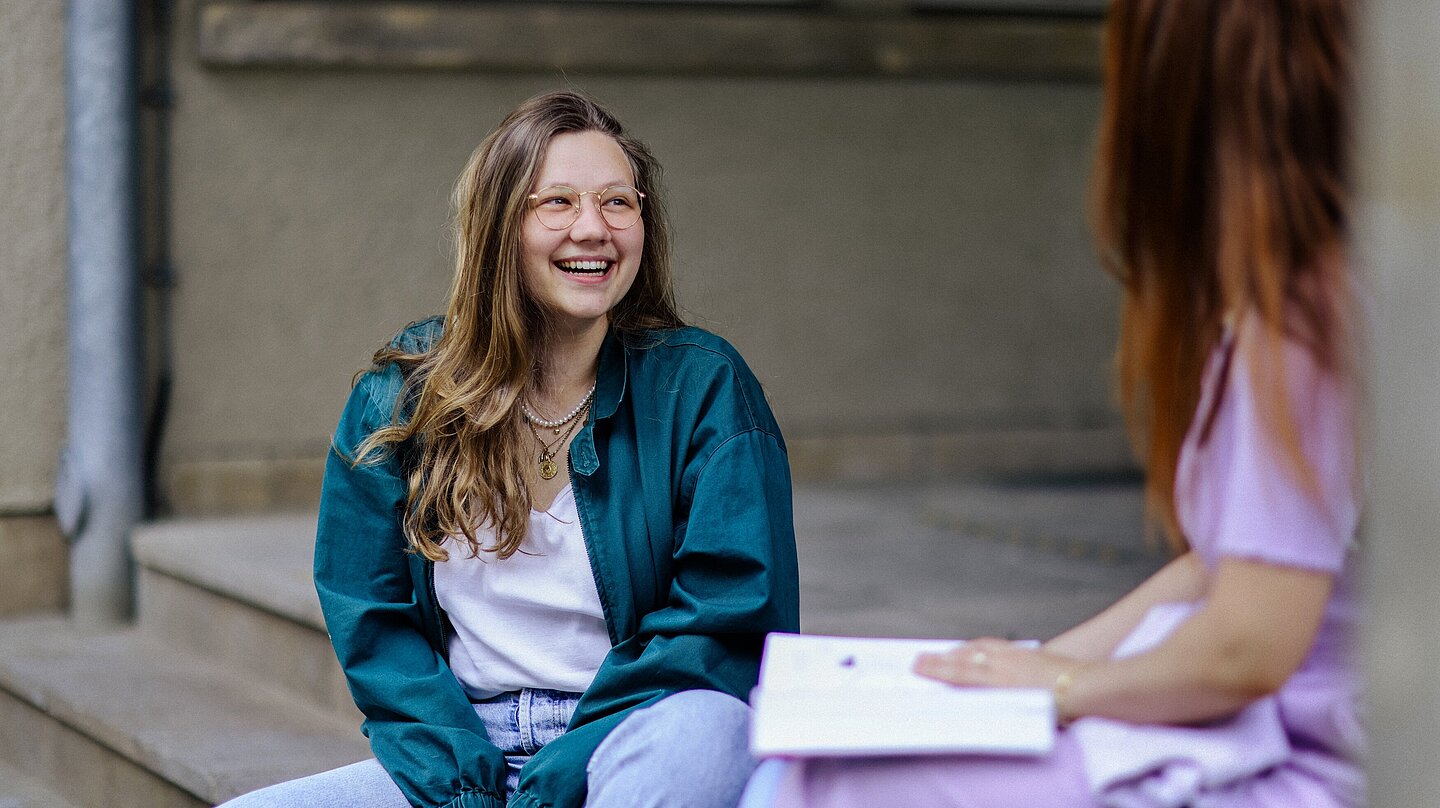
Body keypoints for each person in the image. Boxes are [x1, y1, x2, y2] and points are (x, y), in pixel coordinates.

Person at [742, 1, 1362, 806]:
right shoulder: (1306, 293)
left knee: (816, 783)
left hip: (1296, 756)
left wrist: (1060, 687)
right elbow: (1220, 569)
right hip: (1254, 723)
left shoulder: (1307, 318)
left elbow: (1246, 644)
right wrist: (1026, 666)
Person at [221, 90, 799, 808]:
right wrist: (460, 783)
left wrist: (574, 764)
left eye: (619, 202)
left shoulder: (702, 386)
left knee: (704, 735)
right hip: (463, 751)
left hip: (634, 736)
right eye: (556, 202)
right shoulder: (401, 394)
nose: (593, 229)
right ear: (500, 226)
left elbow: (729, 618)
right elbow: (367, 609)